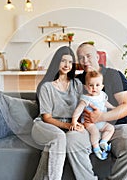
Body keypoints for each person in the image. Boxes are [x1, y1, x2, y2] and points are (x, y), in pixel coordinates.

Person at [66, 42, 127, 180]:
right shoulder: (77, 81)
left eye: (88, 56)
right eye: (81, 57)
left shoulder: (114, 75)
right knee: (71, 140)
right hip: (87, 128)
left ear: (97, 56)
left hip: (118, 129)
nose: (85, 61)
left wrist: (101, 117)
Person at [31, 46, 96, 180]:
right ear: (56, 62)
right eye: (63, 61)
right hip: (45, 125)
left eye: (70, 62)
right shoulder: (46, 86)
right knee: (59, 137)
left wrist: (79, 124)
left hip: (68, 124)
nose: (67, 65)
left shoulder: (77, 84)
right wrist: (68, 126)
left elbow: (83, 105)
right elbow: (47, 117)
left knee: (59, 144)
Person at [71, 70, 115, 160]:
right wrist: (74, 121)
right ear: (86, 87)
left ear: (102, 86)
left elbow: (105, 103)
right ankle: (96, 147)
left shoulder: (102, 95)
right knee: (95, 132)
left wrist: (113, 108)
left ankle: (103, 141)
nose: (94, 88)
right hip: (89, 122)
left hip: (101, 121)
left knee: (110, 128)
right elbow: (78, 110)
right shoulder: (86, 98)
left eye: (97, 85)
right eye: (91, 85)